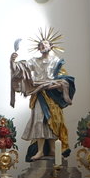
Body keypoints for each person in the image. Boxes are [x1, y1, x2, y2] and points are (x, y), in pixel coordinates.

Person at [10, 30, 76, 162]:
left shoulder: (57, 61)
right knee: (39, 120)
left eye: (45, 44)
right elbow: (20, 70)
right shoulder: (34, 61)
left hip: (52, 93)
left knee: (53, 121)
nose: (43, 46)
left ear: (51, 46)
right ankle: (40, 150)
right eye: (40, 45)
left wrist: (60, 85)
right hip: (39, 92)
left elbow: (64, 77)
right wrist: (13, 61)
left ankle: (52, 149)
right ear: (38, 48)